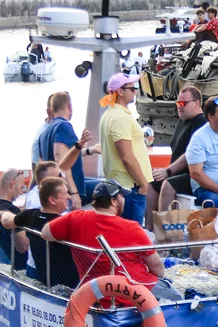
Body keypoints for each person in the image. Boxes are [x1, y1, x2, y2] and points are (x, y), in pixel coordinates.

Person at [42, 181, 176, 302]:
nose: (124, 200)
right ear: (113, 201)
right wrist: (160, 278)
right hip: (134, 290)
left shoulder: (74, 219)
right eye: (122, 197)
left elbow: (45, 233)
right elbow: (156, 265)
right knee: (178, 297)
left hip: (93, 289)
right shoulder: (132, 228)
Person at [98, 72, 152, 225]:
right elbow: (126, 157)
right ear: (120, 91)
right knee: (132, 233)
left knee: (123, 232)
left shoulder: (109, 115)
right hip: (130, 187)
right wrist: (143, 184)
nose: (135, 91)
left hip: (122, 185)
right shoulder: (121, 118)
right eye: (132, 89)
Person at [1, 177, 72, 288]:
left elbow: (6, 221)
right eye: (65, 194)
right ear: (52, 200)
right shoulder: (67, 223)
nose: (69, 197)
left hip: (43, 278)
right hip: (68, 284)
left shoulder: (29, 216)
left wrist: (2, 212)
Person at [37, 91, 99, 210]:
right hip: (66, 190)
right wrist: (74, 193)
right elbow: (61, 160)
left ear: (52, 109)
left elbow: (42, 165)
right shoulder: (64, 126)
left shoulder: (43, 134)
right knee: (111, 187)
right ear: (69, 106)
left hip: (52, 190)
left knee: (98, 182)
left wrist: (91, 150)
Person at [151, 85, 206, 215]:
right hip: (176, 172)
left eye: (183, 103)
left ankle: (164, 224)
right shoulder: (182, 121)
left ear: (197, 103)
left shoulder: (202, 123)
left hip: (192, 174)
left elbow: (190, 154)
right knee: (151, 183)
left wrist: (168, 171)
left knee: (168, 185)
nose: (179, 106)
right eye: (177, 103)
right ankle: (150, 225)